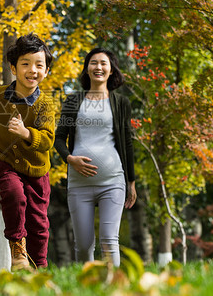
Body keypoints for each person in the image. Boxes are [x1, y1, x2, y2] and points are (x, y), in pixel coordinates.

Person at [0, 33, 55, 271]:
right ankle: (18, 251)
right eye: (26, 64)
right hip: (6, 161)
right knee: (13, 195)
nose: (33, 70)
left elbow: (48, 139)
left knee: (39, 224)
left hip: (37, 169)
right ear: (13, 67)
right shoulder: (1, 95)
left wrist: (26, 133)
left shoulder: (46, 104)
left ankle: (39, 267)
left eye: (39, 65)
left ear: (46, 71)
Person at [54, 48, 137, 267]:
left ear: (111, 70)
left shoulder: (121, 103)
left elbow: (127, 143)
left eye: (103, 63)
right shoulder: (74, 101)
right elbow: (59, 139)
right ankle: (87, 287)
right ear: (87, 68)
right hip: (79, 184)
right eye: (93, 62)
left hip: (113, 182)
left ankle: (115, 288)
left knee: (110, 240)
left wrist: (131, 181)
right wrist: (70, 159)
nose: (98, 67)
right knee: (83, 245)